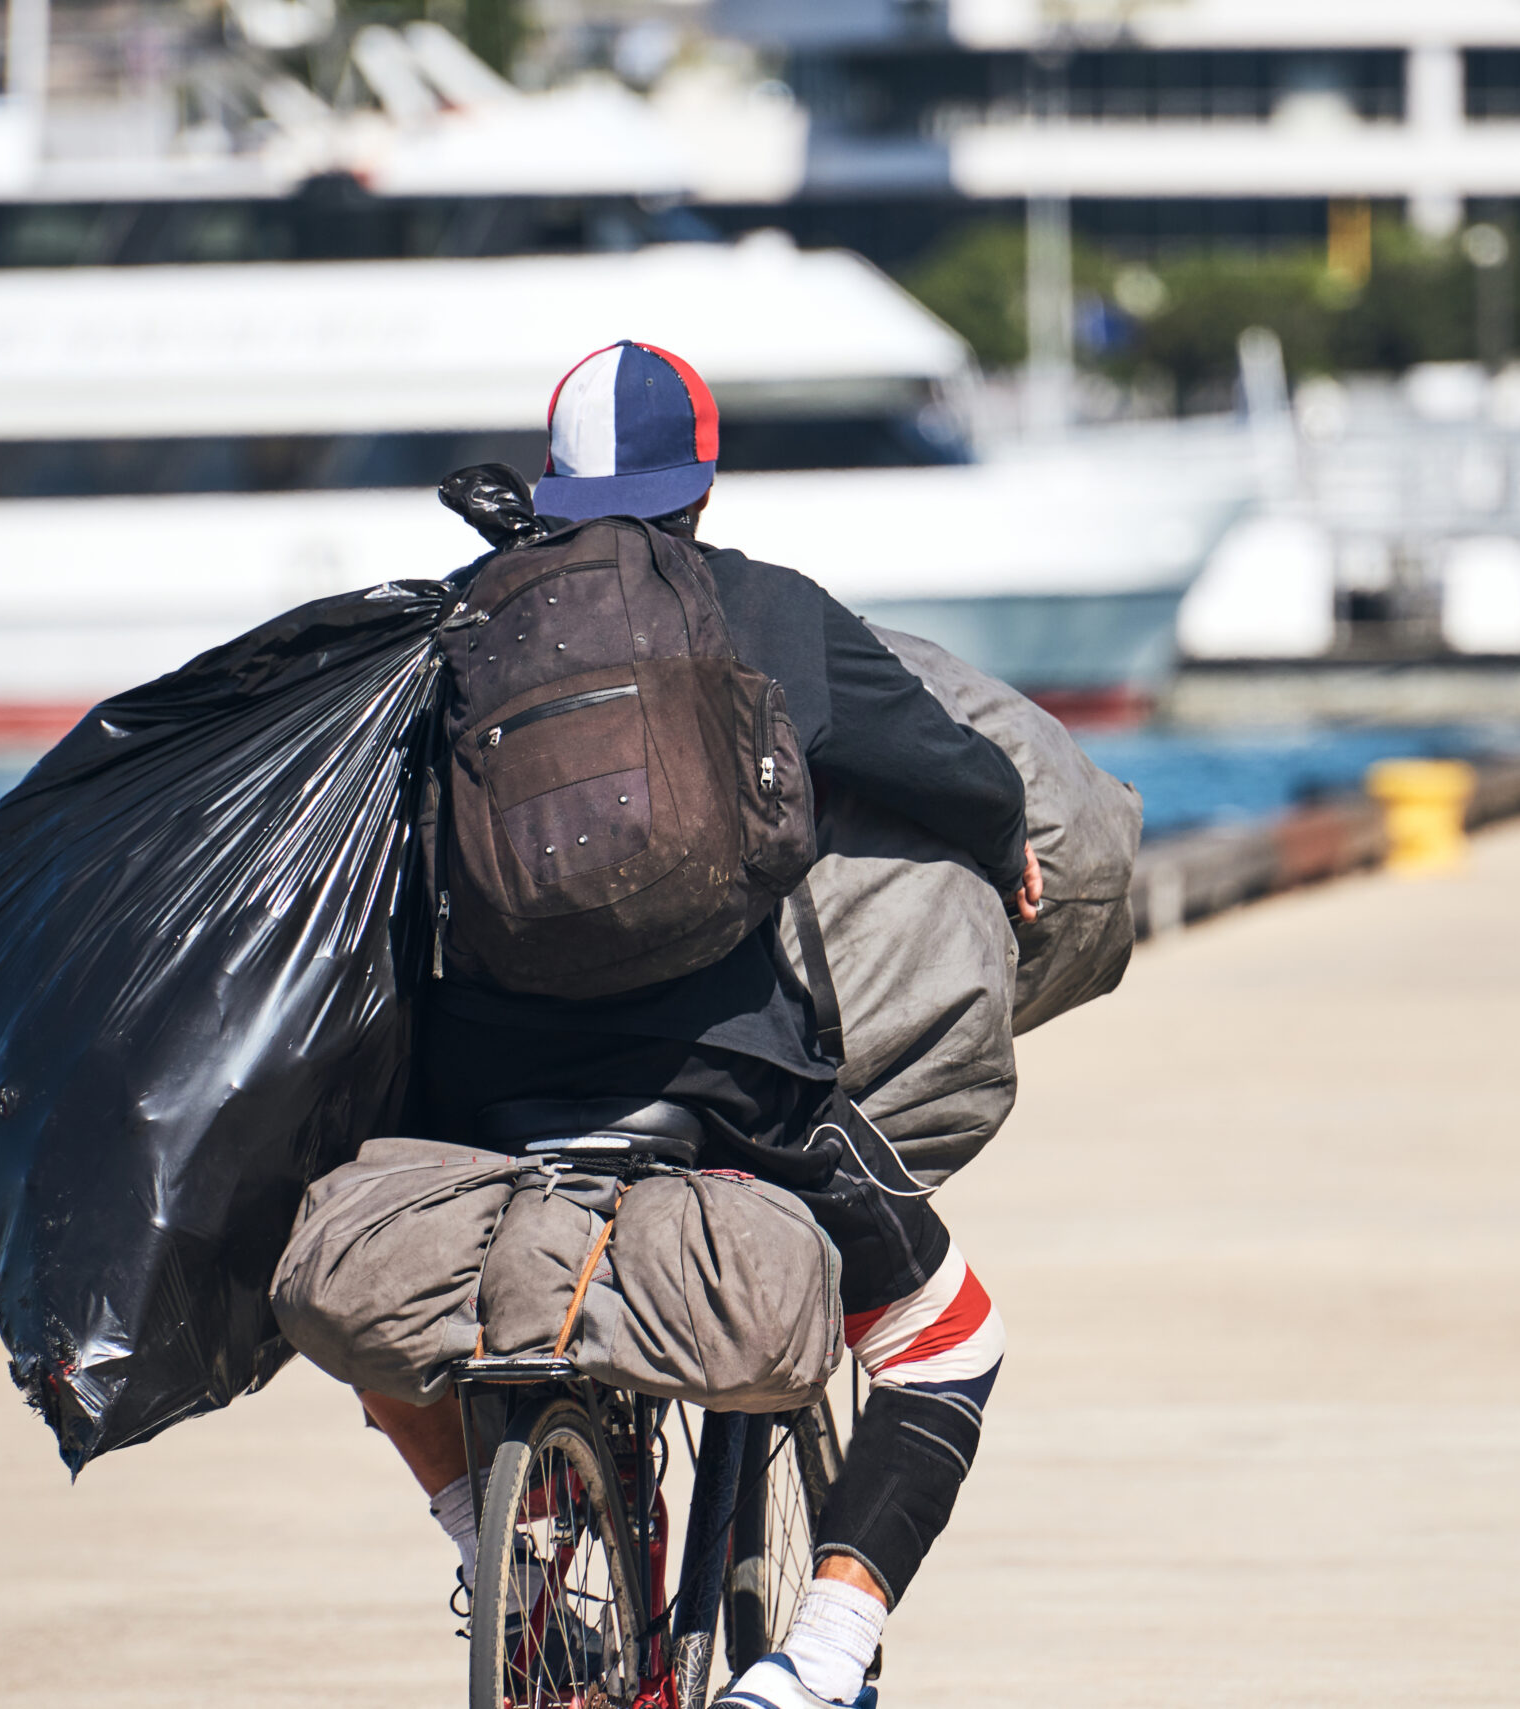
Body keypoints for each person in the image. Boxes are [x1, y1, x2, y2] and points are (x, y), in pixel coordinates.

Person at [359, 340, 1033, 1709]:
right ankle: (816, 1666)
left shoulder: (458, 625)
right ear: (700, 486)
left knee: (394, 1307)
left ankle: (514, 1572)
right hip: (723, 1087)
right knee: (948, 1337)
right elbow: (950, 772)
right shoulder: (763, 610)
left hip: (474, 1100)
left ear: (553, 484)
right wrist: (1007, 844)